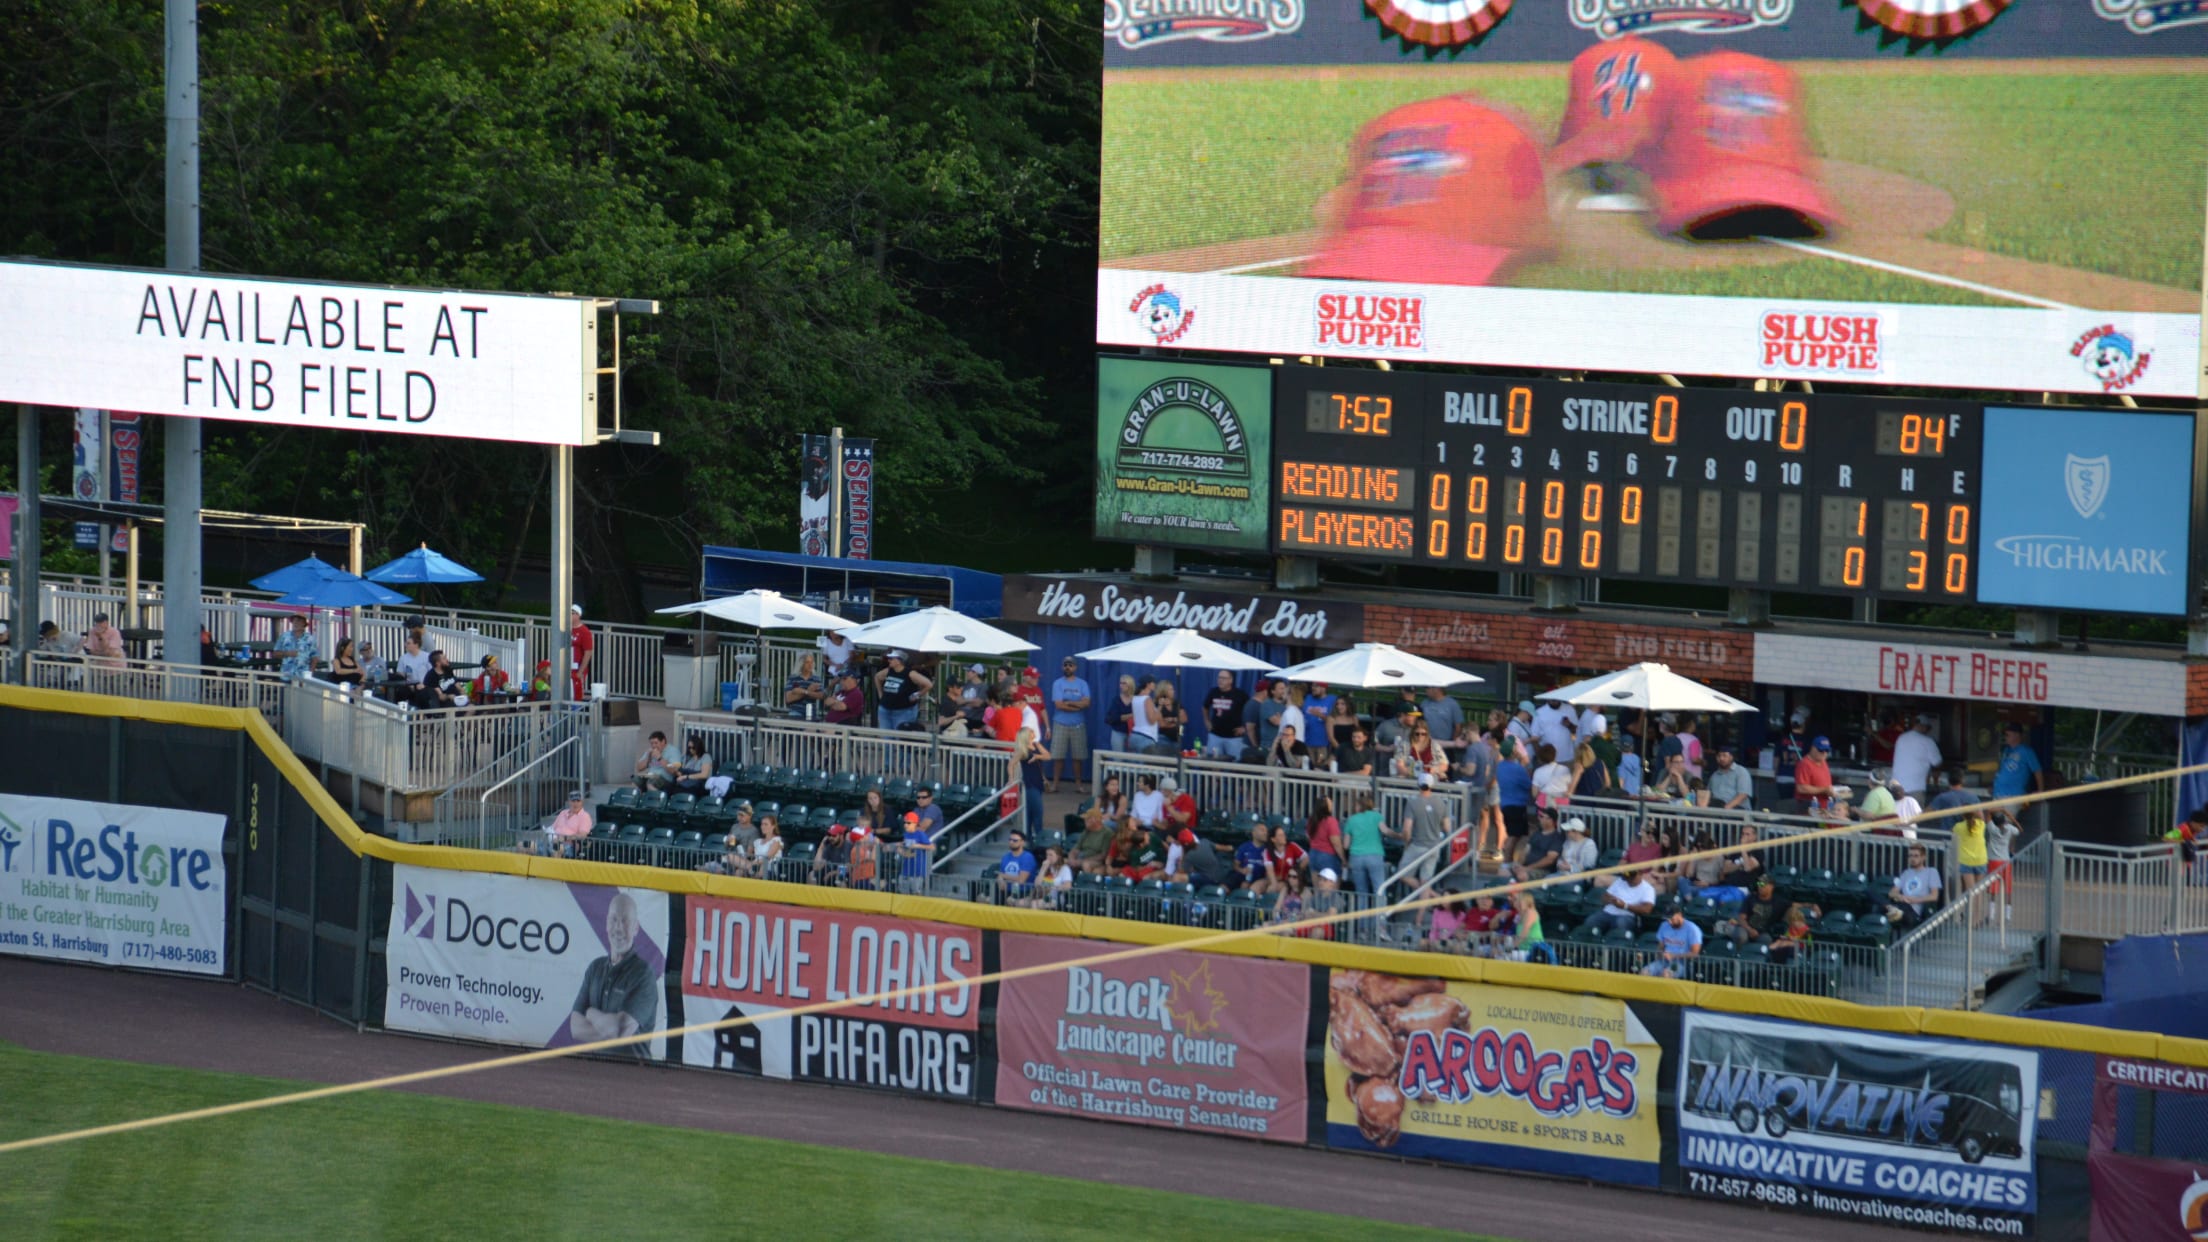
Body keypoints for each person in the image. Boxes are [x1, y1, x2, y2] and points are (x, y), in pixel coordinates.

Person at [567, 891, 657, 1045]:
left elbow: (620, 1032)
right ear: (607, 924)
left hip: (632, 1067)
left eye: (625, 921)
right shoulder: (595, 968)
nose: (618, 928)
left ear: (636, 928)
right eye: (614, 920)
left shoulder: (643, 974)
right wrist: (608, 1025)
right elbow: (575, 1027)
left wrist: (591, 1013)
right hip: (593, 1066)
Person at [1047, 657, 1091, 793]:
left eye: (1070, 665)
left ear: (1075, 667)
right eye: (1065, 665)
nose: (1068, 667)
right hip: (1060, 723)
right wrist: (1077, 706)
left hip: (1078, 724)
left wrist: (1069, 703)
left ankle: (1079, 785)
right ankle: (1055, 784)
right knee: (1058, 756)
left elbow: (1087, 703)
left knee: (1078, 757)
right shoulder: (1057, 683)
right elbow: (1059, 705)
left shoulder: (1082, 684)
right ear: (1062, 667)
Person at [1402, 772, 1453, 889]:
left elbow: (1406, 828)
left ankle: (1433, 896)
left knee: (1403, 874)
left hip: (1417, 844)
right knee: (1426, 880)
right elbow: (1447, 827)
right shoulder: (1441, 802)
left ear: (1418, 785)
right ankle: (1426, 904)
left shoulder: (1412, 802)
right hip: (1434, 846)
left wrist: (1406, 843)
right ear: (1432, 785)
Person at [1885, 844, 1943, 928]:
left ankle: (1894, 911)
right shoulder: (1906, 873)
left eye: (1916, 856)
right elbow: (1892, 893)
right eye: (1910, 856)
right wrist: (1901, 897)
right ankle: (1893, 910)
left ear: (1923, 857)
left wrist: (1914, 900)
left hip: (1913, 911)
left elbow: (1934, 896)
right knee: (1872, 892)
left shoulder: (1931, 872)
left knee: (1899, 909)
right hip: (1901, 904)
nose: (1912, 859)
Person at [1343, 793, 1388, 898]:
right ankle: (1380, 914)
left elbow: (1345, 845)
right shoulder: (1377, 816)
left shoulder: (1351, 819)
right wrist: (1398, 835)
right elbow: (1385, 830)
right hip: (1375, 855)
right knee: (1379, 888)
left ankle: (1363, 914)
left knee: (1361, 890)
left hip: (1356, 857)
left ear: (1359, 806)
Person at [873, 650, 931, 732]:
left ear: (898, 661)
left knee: (900, 738)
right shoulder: (889, 670)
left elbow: (928, 684)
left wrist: (918, 694)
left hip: (903, 711)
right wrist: (880, 693)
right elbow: (877, 677)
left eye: (891, 659)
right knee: (886, 739)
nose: (888, 660)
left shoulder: (910, 673)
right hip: (885, 709)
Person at [1891, 715, 1942, 801]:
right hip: (1915, 788)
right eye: (1928, 728)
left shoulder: (1901, 738)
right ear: (1923, 726)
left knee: (1897, 813)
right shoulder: (1927, 741)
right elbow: (1937, 762)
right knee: (1915, 814)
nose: (1928, 731)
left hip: (1896, 787)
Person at [1589, 867, 1656, 933]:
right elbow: (1604, 897)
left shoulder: (1648, 889)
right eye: (1627, 878)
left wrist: (1625, 906)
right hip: (1608, 912)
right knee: (1591, 921)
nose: (1629, 879)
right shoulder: (1620, 881)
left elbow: (1647, 909)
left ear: (1640, 874)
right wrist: (1612, 900)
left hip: (1627, 916)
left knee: (1620, 923)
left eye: (1632, 877)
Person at [1201, 670, 1250, 760]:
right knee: (1213, 763)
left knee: (1235, 765)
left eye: (1223, 678)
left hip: (1234, 737)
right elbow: (1205, 707)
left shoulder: (1240, 694)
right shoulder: (1213, 692)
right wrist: (1207, 721)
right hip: (1215, 735)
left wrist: (1244, 728)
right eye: (1219, 677)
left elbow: (1250, 711)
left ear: (1230, 680)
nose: (1220, 680)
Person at [1643, 906, 1703, 978]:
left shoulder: (1692, 929)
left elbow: (1695, 953)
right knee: (1645, 971)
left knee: (1666, 974)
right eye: (1668, 919)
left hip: (1682, 963)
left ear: (1679, 915)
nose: (1669, 922)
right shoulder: (1664, 925)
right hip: (1663, 961)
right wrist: (1660, 954)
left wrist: (1673, 955)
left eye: (1672, 919)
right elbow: (1660, 947)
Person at [1012, 727, 1052, 834]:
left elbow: (1048, 756)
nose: (1033, 732)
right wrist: (1011, 779)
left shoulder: (1036, 745)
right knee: (1036, 812)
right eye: (1031, 731)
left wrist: (1037, 756)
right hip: (1029, 783)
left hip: (1038, 782)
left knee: (1030, 813)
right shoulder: (1022, 750)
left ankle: (1030, 839)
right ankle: (1036, 836)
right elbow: (1011, 764)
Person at [1992, 723, 2045, 802]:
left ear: (2016, 735)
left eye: (2007, 735)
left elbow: (2037, 771)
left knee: (2006, 814)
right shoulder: (2006, 751)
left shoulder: (2026, 751)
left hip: (2013, 795)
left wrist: (2041, 791)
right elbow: (2003, 771)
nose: (2005, 737)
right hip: (1998, 793)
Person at [1774, 707, 1811, 807]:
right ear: (1803, 724)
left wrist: (1775, 775)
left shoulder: (1782, 739)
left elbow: (1776, 760)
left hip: (1782, 777)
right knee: (1797, 807)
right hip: (1798, 778)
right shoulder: (1806, 741)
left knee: (1784, 805)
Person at [1793, 735, 1837, 816]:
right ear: (1813, 748)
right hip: (1810, 809)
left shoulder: (1823, 762)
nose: (1824, 753)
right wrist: (1824, 790)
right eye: (1821, 750)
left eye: (1827, 751)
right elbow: (1801, 788)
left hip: (1825, 809)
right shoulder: (1804, 764)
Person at [1393, 715, 1446, 782]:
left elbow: (1444, 764)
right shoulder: (1404, 745)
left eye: (1423, 734)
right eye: (1417, 734)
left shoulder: (1435, 745)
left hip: (1431, 779)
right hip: (1410, 779)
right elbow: (1399, 764)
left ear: (1427, 734)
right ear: (1412, 733)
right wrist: (1412, 773)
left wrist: (1434, 770)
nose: (1420, 736)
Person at [1306, 795, 1346, 881]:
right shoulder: (1330, 821)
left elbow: (1308, 837)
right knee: (1330, 889)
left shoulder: (1311, 820)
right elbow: (1336, 843)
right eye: (1330, 802)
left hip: (1313, 854)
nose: (1332, 803)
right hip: (1327, 856)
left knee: (1317, 888)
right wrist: (1343, 859)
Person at [1502, 891, 1548, 963]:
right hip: (1522, 949)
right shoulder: (1519, 915)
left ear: (1526, 901)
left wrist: (1512, 947)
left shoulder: (1531, 912)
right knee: (1498, 952)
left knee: (1502, 956)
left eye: (1518, 900)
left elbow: (1525, 932)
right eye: (1515, 900)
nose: (1515, 902)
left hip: (1533, 951)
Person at [1705, 746, 1753, 811]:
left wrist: (1726, 808)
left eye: (1724, 756)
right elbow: (1708, 794)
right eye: (1719, 756)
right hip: (1717, 808)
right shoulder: (1714, 775)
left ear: (1731, 757)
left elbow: (1743, 795)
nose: (1721, 758)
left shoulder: (1741, 772)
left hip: (1738, 809)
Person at [1232, 821, 1273, 895]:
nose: (1265, 833)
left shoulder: (1268, 850)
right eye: (1262, 830)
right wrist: (1242, 870)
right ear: (1253, 833)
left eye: (1266, 831)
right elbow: (1235, 865)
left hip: (1261, 878)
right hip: (1245, 877)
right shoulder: (1244, 847)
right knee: (1242, 883)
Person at [996, 829, 1038, 901]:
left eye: (1015, 840)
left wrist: (1003, 876)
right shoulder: (1005, 857)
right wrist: (1000, 880)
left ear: (1022, 842)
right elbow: (1000, 875)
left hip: (1022, 891)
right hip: (1005, 890)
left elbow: (1021, 880)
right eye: (1010, 840)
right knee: (983, 898)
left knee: (1010, 900)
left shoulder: (1027, 857)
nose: (1011, 842)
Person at [548, 791, 593, 856]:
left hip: (569, 845)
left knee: (556, 849)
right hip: (553, 841)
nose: (576, 803)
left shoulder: (585, 816)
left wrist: (564, 838)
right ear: (569, 802)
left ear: (582, 802)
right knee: (530, 846)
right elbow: (552, 828)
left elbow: (582, 835)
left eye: (578, 801)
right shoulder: (563, 813)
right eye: (573, 801)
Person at [1147, 682, 1187, 753]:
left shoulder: (1176, 703)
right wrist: (1177, 722)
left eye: (1173, 689)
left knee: (1175, 761)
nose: (1173, 691)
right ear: (1164, 691)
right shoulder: (1157, 704)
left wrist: (1172, 719)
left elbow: (1184, 719)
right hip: (1163, 738)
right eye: (1170, 689)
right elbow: (1161, 724)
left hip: (1177, 738)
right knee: (1164, 760)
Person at [1528, 742, 1571, 809]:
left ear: (1541, 757)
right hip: (1562, 803)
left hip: (1544, 802)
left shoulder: (1538, 771)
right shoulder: (1565, 769)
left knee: (1544, 819)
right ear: (1555, 754)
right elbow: (1569, 788)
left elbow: (1534, 794)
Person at [783, 654, 825, 719]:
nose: (810, 665)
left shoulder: (816, 679)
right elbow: (788, 699)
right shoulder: (793, 678)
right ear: (801, 664)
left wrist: (804, 691)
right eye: (807, 662)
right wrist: (808, 691)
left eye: (812, 662)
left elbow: (821, 696)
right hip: (796, 710)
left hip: (811, 712)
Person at [568, 604, 595, 700]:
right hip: (566, 667)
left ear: (578, 615)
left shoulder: (584, 632)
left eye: (572, 613)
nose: (569, 615)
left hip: (577, 667)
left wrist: (581, 671)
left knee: (577, 693)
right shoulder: (566, 629)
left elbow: (588, 652)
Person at [274, 614, 314, 679]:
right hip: (286, 674)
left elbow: (314, 658)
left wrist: (310, 673)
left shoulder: (310, 639)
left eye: (298, 621)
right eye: (294, 621)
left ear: (304, 623)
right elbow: (275, 654)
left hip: (303, 676)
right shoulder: (284, 636)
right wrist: (287, 653)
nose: (296, 623)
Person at [1106, 674, 1138, 753]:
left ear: (1130, 684)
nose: (1121, 685)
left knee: (1132, 760)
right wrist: (1132, 715)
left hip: (1133, 733)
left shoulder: (1137, 699)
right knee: (1118, 759)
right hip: (1118, 732)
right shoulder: (1116, 700)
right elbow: (1114, 717)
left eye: (1124, 683)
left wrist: (1123, 717)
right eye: (1120, 683)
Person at [748, 814, 786, 878]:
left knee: (763, 866)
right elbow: (749, 855)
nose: (763, 826)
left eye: (766, 824)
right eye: (762, 824)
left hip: (769, 866)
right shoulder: (757, 841)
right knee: (739, 870)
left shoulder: (776, 841)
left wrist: (752, 863)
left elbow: (767, 858)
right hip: (755, 865)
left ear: (773, 826)